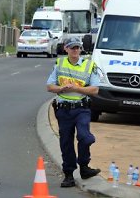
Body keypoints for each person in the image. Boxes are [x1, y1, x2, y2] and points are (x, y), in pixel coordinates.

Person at [46, 37, 101, 187]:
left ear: (81, 49)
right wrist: (61, 89)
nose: (75, 50)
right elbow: (49, 86)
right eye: (72, 47)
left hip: (81, 108)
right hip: (64, 110)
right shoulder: (60, 63)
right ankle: (69, 174)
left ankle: (84, 166)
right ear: (66, 49)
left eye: (77, 47)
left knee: (85, 137)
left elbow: (95, 89)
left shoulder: (89, 65)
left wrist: (76, 88)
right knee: (66, 143)